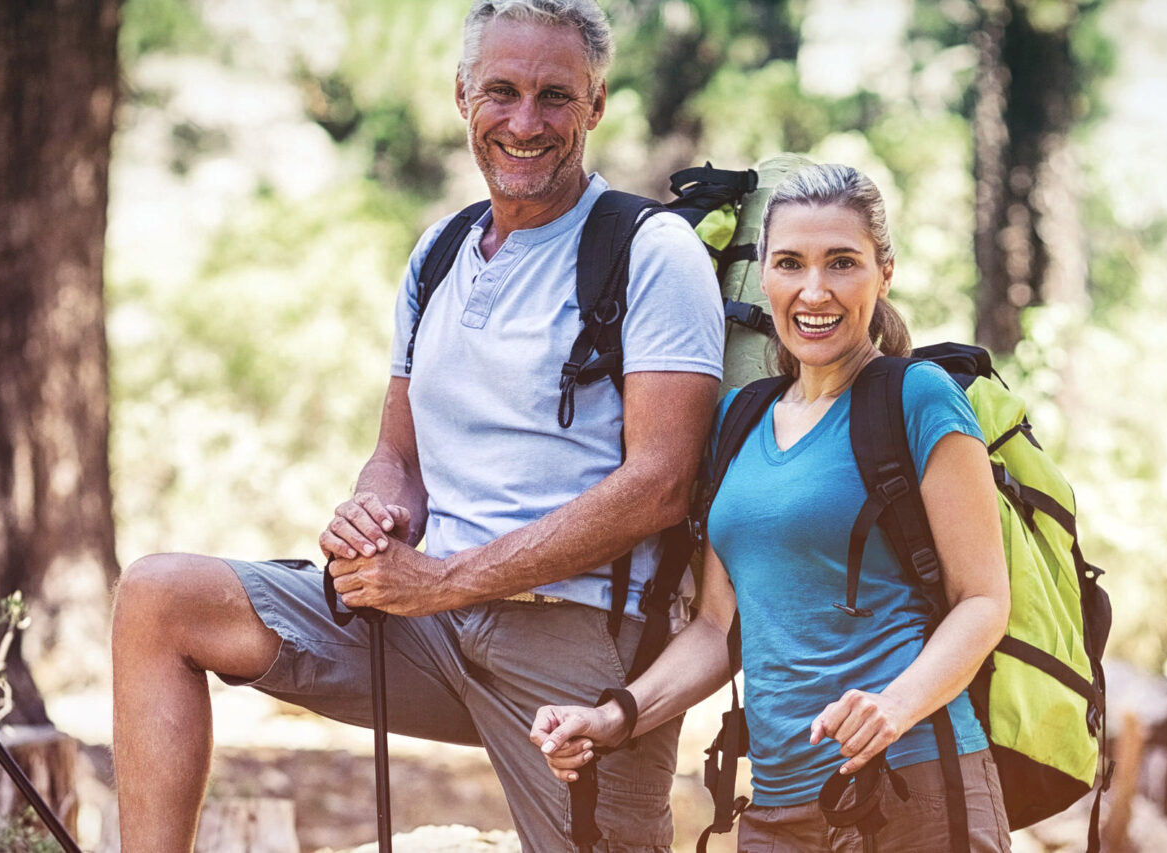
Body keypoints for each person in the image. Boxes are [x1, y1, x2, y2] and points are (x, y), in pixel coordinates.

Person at [106, 1, 726, 850]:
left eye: (555, 96)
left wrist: (442, 581)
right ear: (462, 94)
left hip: (580, 645)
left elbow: (661, 484)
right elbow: (398, 455)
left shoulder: (651, 253)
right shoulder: (440, 252)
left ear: (597, 103)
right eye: (501, 92)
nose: (524, 121)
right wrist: (375, 511)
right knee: (159, 598)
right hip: (427, 627)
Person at [530, 164, 1015, 852]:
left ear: (885, 271)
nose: (814, 290)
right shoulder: (738, 419)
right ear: (764, 273)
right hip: (780, 808)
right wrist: (618, 715)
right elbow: (715, 628)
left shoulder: (919, 398)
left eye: (842, 263)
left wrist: (894, 706)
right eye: (790, 262)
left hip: (914, 782)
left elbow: (983, 600)